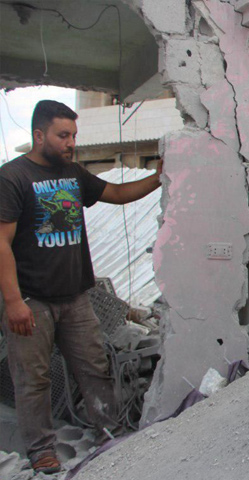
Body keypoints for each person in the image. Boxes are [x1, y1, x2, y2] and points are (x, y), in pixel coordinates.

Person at [0, 100, 162, 473]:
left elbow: (117, 195)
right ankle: (41, 450)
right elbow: (1, 243)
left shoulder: (73, 174)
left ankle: (111, 431)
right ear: (39, 135)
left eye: (73, 135)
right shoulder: (13, 178)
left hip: (75, 298)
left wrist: (158, 176)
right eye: (63, 135)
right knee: (33, 379)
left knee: (94, 368)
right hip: (32, 300)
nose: (71, 143)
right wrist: (13, 301)